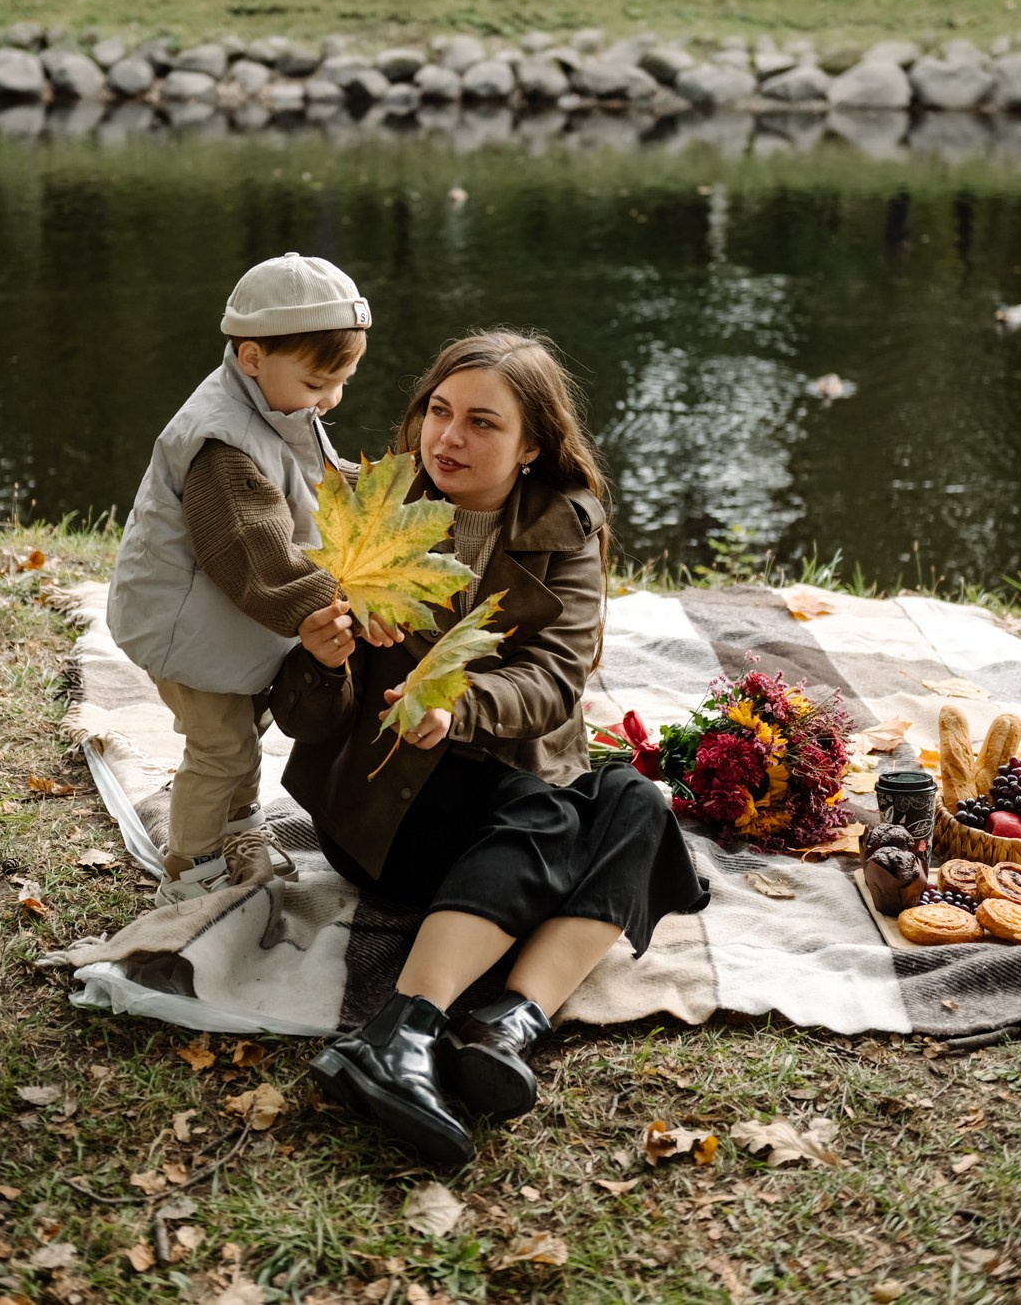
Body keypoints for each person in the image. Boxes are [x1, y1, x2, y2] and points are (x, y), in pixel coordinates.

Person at [269, 331, 709, 1165]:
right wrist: (320, 658)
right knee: (549, 817)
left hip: (503, 773)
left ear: (531, 445)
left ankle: (503, 1026)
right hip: (382, 802)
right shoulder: (365, 512)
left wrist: (459, 708)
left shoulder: (565, 525)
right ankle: (401, 1030)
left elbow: (554, 678)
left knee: (636, 803)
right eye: (439, 411)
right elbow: (301, 719)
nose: (449, 438)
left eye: (482, 422)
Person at [106, 252, 373, 904]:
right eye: (318, 384)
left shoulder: (279, 401)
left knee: (244, 729)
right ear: (253, 357)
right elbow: (259, 561)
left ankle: (238, 829)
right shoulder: (221, 445)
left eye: (342, 382)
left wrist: (378, 492)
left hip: (227, 624)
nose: (330, 400)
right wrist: (344, 602)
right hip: (184, 625)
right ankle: (190, 868)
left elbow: (314, 479)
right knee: (220, 746)